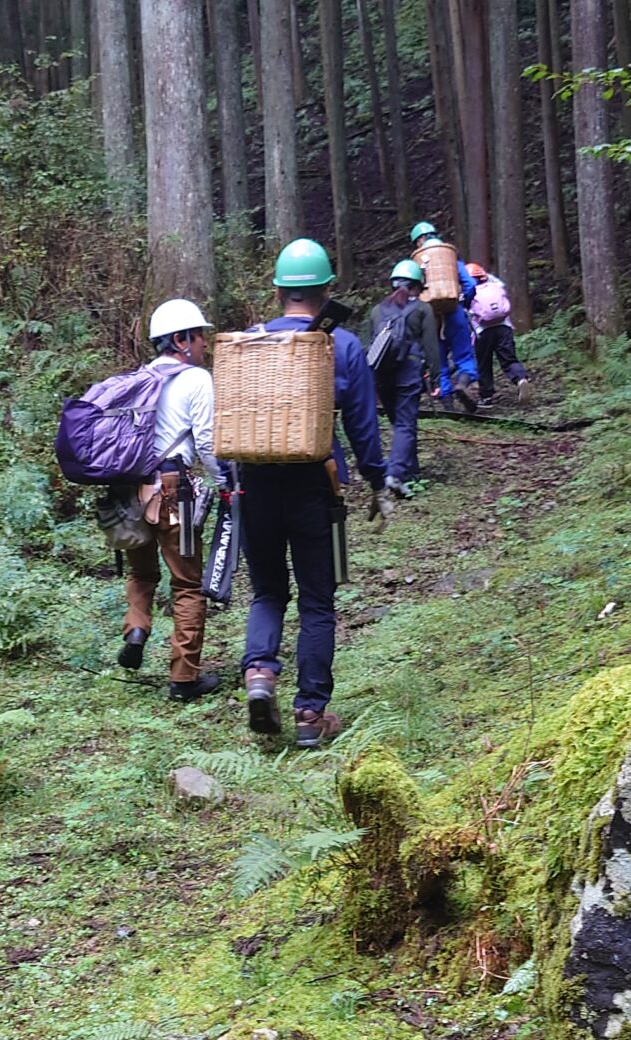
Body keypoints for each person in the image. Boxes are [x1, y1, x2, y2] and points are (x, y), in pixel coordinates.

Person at [239, 239, 387, 748]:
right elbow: (363, 424)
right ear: (325, 290)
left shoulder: (251, 343)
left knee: (267, 591)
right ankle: (309, 714)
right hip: (313, 483)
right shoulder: (340, 344)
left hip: (255, 481)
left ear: (278, 291)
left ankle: (260, 673)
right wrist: (376, 479)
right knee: (317, 601)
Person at [118, 298, 223, 702]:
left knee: (142, 574)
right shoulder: (196, 379)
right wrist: (225, 483)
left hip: (130, 491)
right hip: (173, 491)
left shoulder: (139, 379)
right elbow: (207, 442)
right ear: (180, 340)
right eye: (198, 337)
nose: (204, 344)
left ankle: (137, 629)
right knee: (187, 584)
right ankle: (183, 678)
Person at [367, 259, 438, 495]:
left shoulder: (377, 311)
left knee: (400, 424)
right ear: (417, 286)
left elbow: (372, 347)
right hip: (409, 372)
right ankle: (395, 474)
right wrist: (435, 377)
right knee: (405, 424)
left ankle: (411, 471)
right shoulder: (423, 309)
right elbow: (431, 346)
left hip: (382, 376)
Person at [409, 218, 478, 414]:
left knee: (439, 361)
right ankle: (462, 384)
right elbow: (471, 285)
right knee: (464, 356)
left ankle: (448, 407)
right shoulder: (451, 259)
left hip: (431, 317)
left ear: (419, 240)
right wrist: (462, 302)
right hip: (454, 312)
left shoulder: (418, 263)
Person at [465, 264, 531, 405]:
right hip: (504, 327)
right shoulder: (495, 285)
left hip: (482, 331)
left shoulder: (468, 291)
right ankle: (520, 378)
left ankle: (486, 397)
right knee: (509, 359)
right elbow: (501, 286)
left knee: (484, 364)